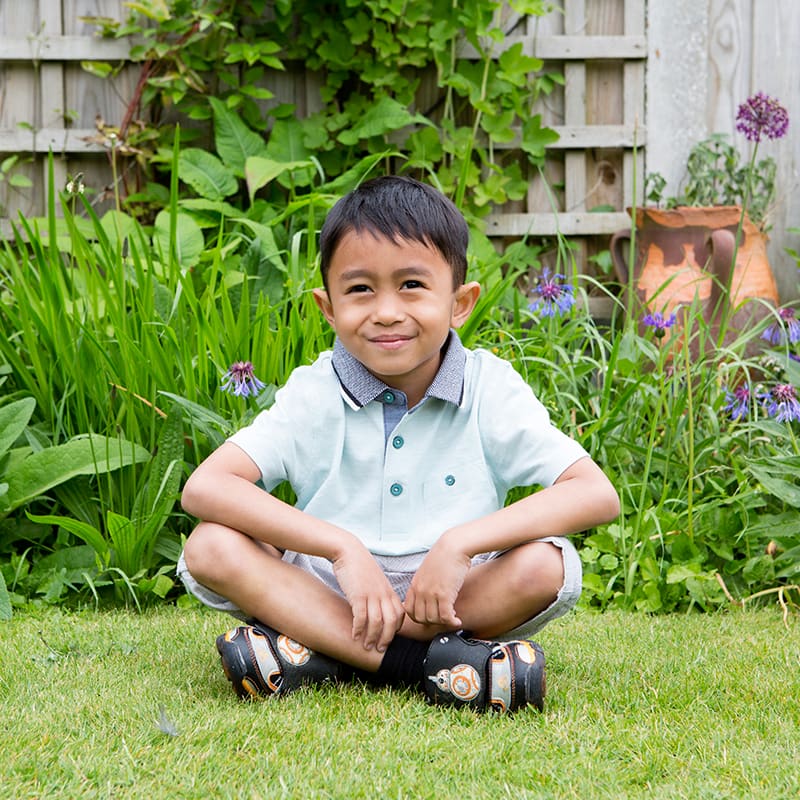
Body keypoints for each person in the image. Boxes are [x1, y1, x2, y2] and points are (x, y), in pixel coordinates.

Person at [178, 176, 619, 713]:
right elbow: (206, 487)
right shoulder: (315, 388)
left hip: (453, 592)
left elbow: (595, 494)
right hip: (332, 587)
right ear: (328, 307)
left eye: (412, 285)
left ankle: (316, 654)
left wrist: (458, 545)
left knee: (546, 565)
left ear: (460, 303)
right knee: (209, 545)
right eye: (360, 289)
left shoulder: (489, 385)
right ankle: (428, 668)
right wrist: (341, 549)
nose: (386, 311)